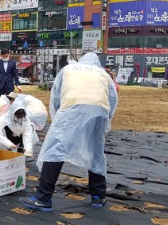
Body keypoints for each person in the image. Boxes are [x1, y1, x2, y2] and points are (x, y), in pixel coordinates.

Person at [22, 53, 118, 212]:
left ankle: (43, 198)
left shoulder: (68, 69)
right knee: (96, 153)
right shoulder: (103, 74)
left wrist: (57, 117)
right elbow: (113, 99)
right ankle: (98, 196)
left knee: (55, 149)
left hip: (72, 108)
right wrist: (106, 121)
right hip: (99, 111)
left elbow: (56, 95)